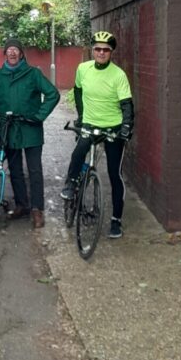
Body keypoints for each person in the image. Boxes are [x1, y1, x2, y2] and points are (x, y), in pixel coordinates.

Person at [0, 37, 60, 229]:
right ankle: (22, 205)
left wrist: (39, 116)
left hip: (31, 128)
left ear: (21, 53)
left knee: (34, 170)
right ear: (5, 53)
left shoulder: (33, 74)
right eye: (8, 49)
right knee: (15, 170)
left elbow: (53, 93)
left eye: (15, 50)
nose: (12, 52)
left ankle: (37, 209)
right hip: (8, 129)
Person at [61, 31, 134, 239]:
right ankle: (71, 184)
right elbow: (78, 91)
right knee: (78, 153)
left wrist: (126, 128)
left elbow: (126, 104)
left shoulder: (118, 75)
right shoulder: (83, 69)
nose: (101, 52)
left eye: (105, 50)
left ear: (111, 52)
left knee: (114, 173)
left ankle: (116, 220)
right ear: (92, 50)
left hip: (112, 127)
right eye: (97, 49)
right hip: (90, 124)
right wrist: (82, 116)